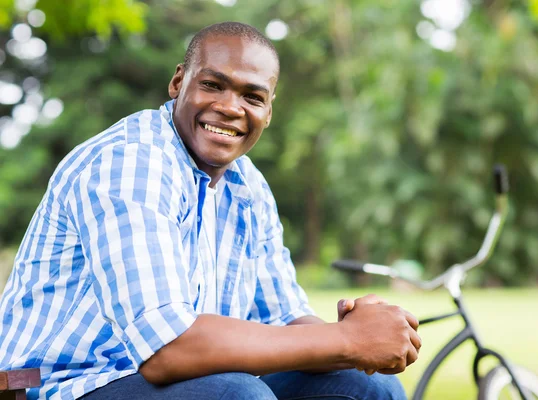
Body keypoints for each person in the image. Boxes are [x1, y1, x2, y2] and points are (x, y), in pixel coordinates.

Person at [0, 22, 421, 399]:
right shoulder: (130, 163)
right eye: (213, 85)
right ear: (178, 82)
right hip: (56, 386)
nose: (231, 107)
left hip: (171, 382)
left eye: (252, 96)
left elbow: (284, 320)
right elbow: (168, 351)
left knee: (369, 387)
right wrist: (347, 342)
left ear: (269, 111)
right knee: (237, 396)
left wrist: (360, 333)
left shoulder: (248, 187)